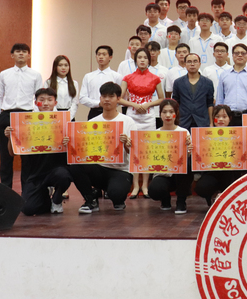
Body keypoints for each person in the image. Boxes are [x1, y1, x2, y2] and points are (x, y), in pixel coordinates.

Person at [4, 88, 73, 215]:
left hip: (56, 171)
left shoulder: (64, 123)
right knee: (28, 209)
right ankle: (45, 197)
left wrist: (68, 143)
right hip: (35, 175)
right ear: (36, 103)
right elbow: (12, 153)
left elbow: (73, 153)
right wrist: (10, 138)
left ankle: (57, 198)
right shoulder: (24, 123)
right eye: (41, 100)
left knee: (63, 176)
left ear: (55, 103)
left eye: (49, 100)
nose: (45, 103)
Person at [70, 82, 136, 213]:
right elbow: (84, 150)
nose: (106, 99)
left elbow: (135, 153)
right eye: (104, 96)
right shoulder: (92, 122)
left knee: (116, 195)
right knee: (75, 165)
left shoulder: (128, 121)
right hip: (99, 168)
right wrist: (71, 143)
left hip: (120, 170)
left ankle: (117, 196)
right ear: (100, 98)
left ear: (118, 99)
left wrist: (127, 144)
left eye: (111, 96)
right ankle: (90, 199)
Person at [0, 43, 44, 187]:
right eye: (17, 51)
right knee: (5, 156)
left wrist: (35, 116)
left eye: (24, 51)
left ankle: (27, 191)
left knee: (27, 157)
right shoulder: (4, 74)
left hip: (27, 116)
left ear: (29, 55)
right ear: (12, 55)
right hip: (6, 115)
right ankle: (6, 190)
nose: (21, 54)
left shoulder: (35, 75)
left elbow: (39, 98)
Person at [118, 47, 164, 199]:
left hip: (149, 115)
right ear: (135, 60)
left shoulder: (155, 78)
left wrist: (148, 104)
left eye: (145, 57)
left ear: (149, 60)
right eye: (140, 57)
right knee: (133, 148)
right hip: (132, 114)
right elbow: (119, 98)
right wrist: (134, 104)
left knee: (147, 149)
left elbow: (162, 98)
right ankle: (135, 185)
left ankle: (145, 185)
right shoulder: (127, 78)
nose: (142, 60)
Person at [147, 99, 193, 214]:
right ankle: (165, 199)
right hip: (162, 174)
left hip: (179, 175)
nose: (168, 115)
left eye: (171, 112)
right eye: (164, 112)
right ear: (160, 114)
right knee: (154, 190)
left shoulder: (184, 132)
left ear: (176, 113)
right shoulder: (154, 135)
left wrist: (189, 149)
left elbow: (188, 157)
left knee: (187, 166)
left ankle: (181, 202)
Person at [194, 104, 241, 206]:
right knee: (201, 187)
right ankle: (212, 196)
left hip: (230, 173)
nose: (220, 120)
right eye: (217, 117)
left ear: (230, 119)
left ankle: (227, 199)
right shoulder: (204, 135)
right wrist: (192, 149)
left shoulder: (238, 135)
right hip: (212, 172)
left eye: (224, 117)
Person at [216, 43, 247, 126]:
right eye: (237, 53)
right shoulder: (224, 74)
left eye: (243, 53)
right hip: (228, 116)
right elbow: (220, 98)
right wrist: (219, 116)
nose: (240, 55)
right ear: (232, 56)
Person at [80, 45, 123, 120]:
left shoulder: (117, 76)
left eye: (104, 54)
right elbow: (82, 98)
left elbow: (120, 97)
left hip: (111, 112)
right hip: (94, 112)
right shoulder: (88, 76)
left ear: (110, 57)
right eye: (99, 54)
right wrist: (98, 103)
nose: (101, 57)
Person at [172, 53, 214, 129]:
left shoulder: (208, 82)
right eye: (189, 62)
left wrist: (211, 123)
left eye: (195, 61)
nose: (192, 64)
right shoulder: (178, 82)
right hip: (183, 121)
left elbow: (210, 104)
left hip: (202, 121)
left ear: (199, 64)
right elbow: (175, 103)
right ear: (185, 64)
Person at [45, 55, 79, 121]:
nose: (63, 68)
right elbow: (48, 101)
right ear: (55, 67)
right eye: (60, 65)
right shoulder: (48, 83)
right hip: (53, 115)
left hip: (69, 115)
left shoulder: (74, 83)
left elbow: (75, 102)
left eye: (66, 65)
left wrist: (69, 116)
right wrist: (57, 116)